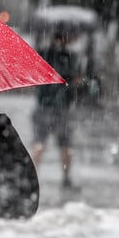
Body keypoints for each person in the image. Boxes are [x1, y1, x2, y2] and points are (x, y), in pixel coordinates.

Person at [32, 31, 81, 191]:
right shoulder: (70, 56)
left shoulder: (42, 53)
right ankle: (66, 179)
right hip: (63, 107)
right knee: (66, 145)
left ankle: (31, 178)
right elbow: (76, 79)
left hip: (43, 105)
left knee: (39, 143)